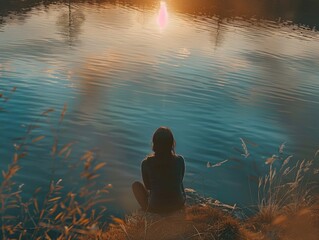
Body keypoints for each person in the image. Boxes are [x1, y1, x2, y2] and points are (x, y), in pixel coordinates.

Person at [132, 127, 186, 213]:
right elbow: (181, 179)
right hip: (178, 205)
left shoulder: (146, 163)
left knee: (136, 185)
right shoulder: (180, 160)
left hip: (156, 208)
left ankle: (147, 210)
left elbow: (148, 186)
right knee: (178, 180)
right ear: (172, 143)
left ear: (154, 143)